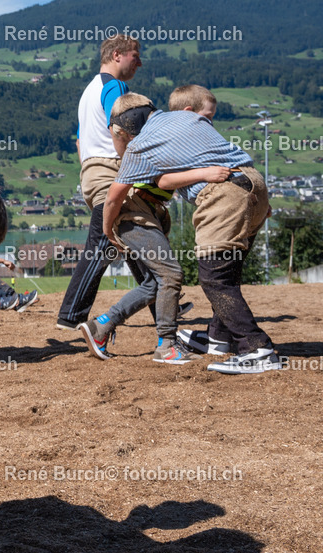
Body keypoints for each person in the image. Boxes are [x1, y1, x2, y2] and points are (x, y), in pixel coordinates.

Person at [100, 91, 280, 374]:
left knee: (215, 277)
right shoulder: (188, 117)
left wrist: (107, 228)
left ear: (124, 130)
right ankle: (219, 339)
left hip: (224, 195)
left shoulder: (140, 145)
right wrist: (258, 202)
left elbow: (113, 198)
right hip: (254, 184)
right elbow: (200, 161)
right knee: (228, 273)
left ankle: (256, 348)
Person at [78, 86, 218, 364]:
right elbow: (133, 190)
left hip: (144, 213)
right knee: (171, 274)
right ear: (189, 113)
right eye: (206, 116)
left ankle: (101, 326)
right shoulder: (154, 140)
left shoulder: (163, 135)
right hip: (133, 214)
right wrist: (108, 229)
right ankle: (167, 345)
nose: (209, 123)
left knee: (157, 280)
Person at [57, 35, 147, 331]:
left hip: (91, 171)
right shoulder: (115, 86)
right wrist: (131, 163)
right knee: (103, 244)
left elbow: (80, 140)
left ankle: (160, 298)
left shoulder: (89, 91)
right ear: (118, 54)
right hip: (110, 170)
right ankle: (70, 316)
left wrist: (88, 169)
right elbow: (120, 125)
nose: (139, 62)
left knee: (129, 237)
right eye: (136, 55)